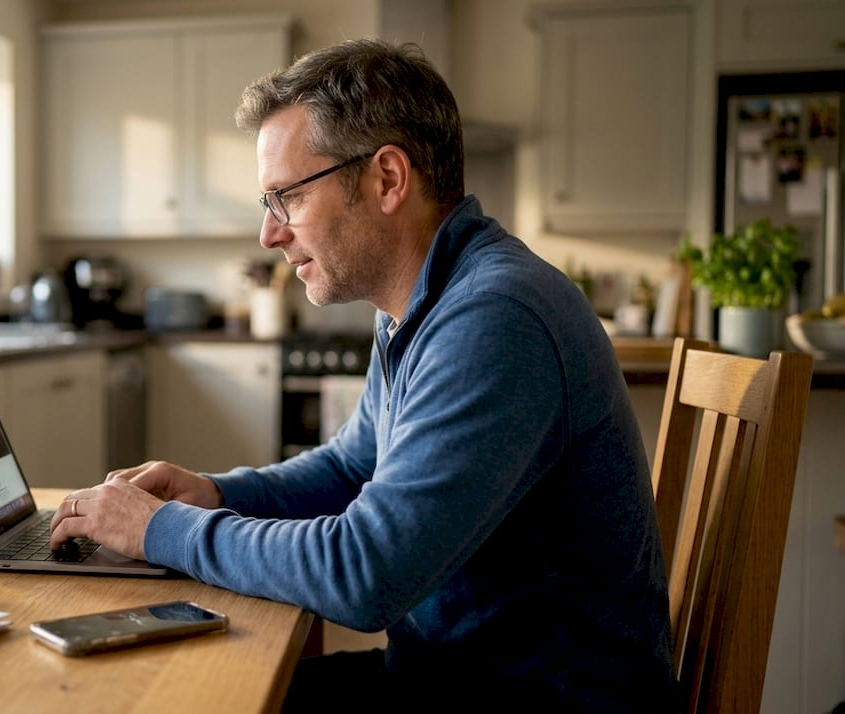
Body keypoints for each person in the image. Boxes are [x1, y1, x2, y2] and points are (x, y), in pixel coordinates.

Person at [49, 38, 678, 711]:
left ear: (386, 179)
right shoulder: (423, 302)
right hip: (457, 679)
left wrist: (158, 530)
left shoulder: (496, 317)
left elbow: (364, 574)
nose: (269, 234)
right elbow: (353, 469)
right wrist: (211, 493)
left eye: (285, 196)